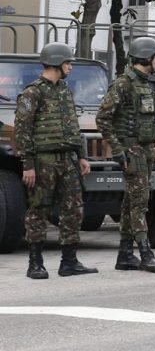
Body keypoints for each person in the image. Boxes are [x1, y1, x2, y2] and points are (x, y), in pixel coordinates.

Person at [16, 42, 97, 279]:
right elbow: (23, 131)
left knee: (73, 209)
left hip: (68, 161)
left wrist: (81, 156)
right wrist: (28, 165)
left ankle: (69, 261)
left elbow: (73, 126)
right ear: (56, 63)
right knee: (39, 209)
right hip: (44, 161)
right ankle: (35, 263)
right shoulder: (33, 92)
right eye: (67, 62)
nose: (70, 67)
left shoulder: (64, 90)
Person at [96, 36, 155, 273]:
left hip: (144, 152)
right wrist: (118, 149)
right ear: (145, 57)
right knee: (139, 203)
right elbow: (103, 118)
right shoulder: (123, 84)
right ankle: (145, 252)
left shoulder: (147, 85)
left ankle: (125, 254)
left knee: (129, 204)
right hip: (131, 151)